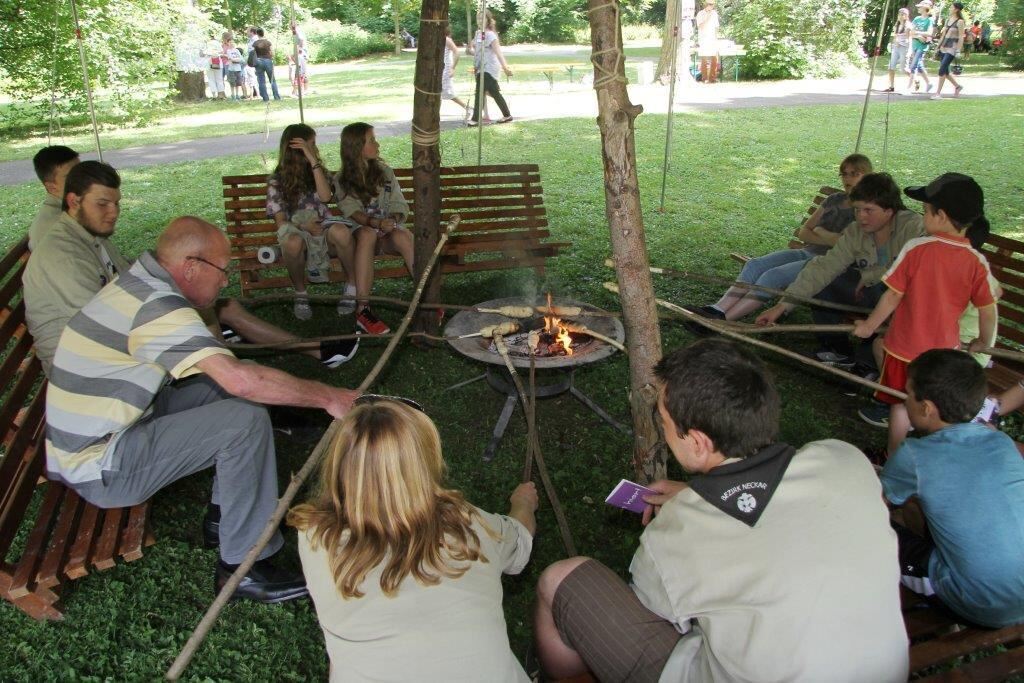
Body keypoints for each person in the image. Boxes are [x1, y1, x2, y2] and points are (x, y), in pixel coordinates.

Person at [533, 339, 908, 682]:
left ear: (697, 442)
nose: (662, 431)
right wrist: (702, 496)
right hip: (881, 671)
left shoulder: (679, 533)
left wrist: (694, 510)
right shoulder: (845, 459)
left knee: (560, 579)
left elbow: (654, 612)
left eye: (663, 423)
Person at [44, 217, 361, 602]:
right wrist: (330, 398)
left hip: (106, 430)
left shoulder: (140, 282)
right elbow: (242, 379)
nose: (225, 280)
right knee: (243, 418)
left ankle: (223, 517)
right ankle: (243, 569)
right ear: (191, 266)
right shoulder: (157, 306)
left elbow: (227, 377)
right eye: (222, 269)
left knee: (217, 390)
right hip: (100, 464)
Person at [25, 161, 357, 379]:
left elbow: (131, 279)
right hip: (91, 365)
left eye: (117, 203)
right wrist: (181, 312)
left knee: (219, 306)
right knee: (207, 309)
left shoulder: (90, 236)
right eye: (102, 204)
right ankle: (237, 373)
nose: (113, 213)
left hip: (116, 339)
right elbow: (103, 324)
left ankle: (299, 352)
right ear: (73, 201)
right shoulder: (62, 253)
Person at [289, 398, 538, 682]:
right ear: (423, 461)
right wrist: (523, 503)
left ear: (340, 466)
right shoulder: (469, 526)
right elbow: (520, 541)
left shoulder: (314, 537)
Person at [852, 173, 995, 456]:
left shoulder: (917, 248)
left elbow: (893, 295)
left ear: (940, 215)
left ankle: (895, 459)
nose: (922, 216)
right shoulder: (977, 261)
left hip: (903, 350)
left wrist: (869, 327)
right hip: (943, 357)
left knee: (901, 405)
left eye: (925, 211)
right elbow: (987, 309)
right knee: (936, 411)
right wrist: (983, 342)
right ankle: (931, 459)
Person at [881, 349, 1024, 628]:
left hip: (979, 604)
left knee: (874, 531)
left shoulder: (915, 455)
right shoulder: (1002, 444)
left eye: (909, 393)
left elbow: (876, 503)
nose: (904, 398)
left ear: (927, 408)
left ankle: (937, 597)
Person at [756, 173, 925, 370]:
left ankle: (868, 363)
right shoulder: (855, 231)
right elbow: (825, 267)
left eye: (869, 210)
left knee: (883, 290)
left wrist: (872, 276)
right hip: (869, 293)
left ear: (889, 211)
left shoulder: (913, 227)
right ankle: (838, 350)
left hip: (900, 300)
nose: (861, 216)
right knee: (823, 276)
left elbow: (914, 277)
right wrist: (782, 306)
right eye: (857, 209)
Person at [692, 153, 871, 322]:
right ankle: (718, 309)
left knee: (773, 276)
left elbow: (840, 243)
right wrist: (827, 236)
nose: (847, 179)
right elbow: (804, 232)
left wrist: (820, 232)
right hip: (806, 252)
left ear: (869, 177)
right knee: (755, 265)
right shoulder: (834, 199)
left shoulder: (865, 210)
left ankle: (724, 321)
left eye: (855, 174)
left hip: (825, 263)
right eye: (844, 174)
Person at [267, 123, 359, 321]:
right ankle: (301, 294)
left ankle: (352, 287)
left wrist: (312, 161)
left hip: (323, 230)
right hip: (298, 232)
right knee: (292, 242)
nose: (315, 148)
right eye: (311, 144)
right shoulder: (277, 180)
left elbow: (326, 198)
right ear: (296, 149)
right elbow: (281, 222)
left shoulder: (319, 171)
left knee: (342, 232)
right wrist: (304, 227)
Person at [333, 122, 414, 335]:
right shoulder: (341, 180)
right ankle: (363, 309)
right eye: (372, 140)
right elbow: (352, 212)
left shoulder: (385, 172)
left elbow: (399, 203)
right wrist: (376, 223)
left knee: (404, 235)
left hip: (386, 234)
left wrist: (393, 221)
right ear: (357, 147)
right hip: (360, 237)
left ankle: (427, 302)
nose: (377, 143)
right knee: (367, 233)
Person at [27, 145, 79, 250]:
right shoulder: (57, 225)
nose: (84, 178)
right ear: (52, 187)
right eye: (71, 176)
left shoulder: (69, 207)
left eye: (82, 170)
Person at [468, 10, 513, 127]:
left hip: (489, 67)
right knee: (494, 92)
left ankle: (475, 118)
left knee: (479, 91)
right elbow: (476, 51)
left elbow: (498, 53)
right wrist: (470, 50)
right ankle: (507, 115)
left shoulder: (491, 35)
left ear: (488, 20)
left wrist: (506, 68)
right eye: (478, 18)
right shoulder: (479, 34)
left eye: (483, 19)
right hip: (480, 67)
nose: (480, 21)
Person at [932, 1, 966, 99]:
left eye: (952, 7)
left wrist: (958, 50)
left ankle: (938, 93)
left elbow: (961, 37)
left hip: (952, 48)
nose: (950, 9)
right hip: (944, 47)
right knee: (945, 71)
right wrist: (937, 47)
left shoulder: (960, 22)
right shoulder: (948, 20)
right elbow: (943, 35)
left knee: (942, 69)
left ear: (956, 9)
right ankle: (958, 87)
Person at [906, 0, 935, 94]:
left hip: (922, 46)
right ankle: (929, 83)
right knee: (919, 65)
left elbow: (929, 33)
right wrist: (918, 36)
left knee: (913, 66)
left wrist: (917, 33)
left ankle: (909, 87)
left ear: (926, 8)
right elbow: (911, 32)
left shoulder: (929, 20)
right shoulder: (917, 19)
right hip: (915, 44)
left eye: (920, 7)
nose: (918, 8)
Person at [442, 27, 470, 120]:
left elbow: (457, 52)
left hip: (446, 69)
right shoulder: (438, 39)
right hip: (440, 69)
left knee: (447, 92)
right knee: (439, 92)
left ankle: (467, 108)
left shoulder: (446, 39)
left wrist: (452, 68)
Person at [251, 27, 281, 102]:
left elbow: (253, 53)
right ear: (263, 33)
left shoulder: (255, 43)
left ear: (257, 34)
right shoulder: (268, 42)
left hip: (259, 61)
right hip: (268, 61)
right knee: (272, 80)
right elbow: (272, 53)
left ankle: (265, 98)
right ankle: (276, 97)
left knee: (261, 81)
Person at [886, 8, 912, 92]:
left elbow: (909, 39)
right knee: (891, 67)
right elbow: (895, 36)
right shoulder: (896, 25)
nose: (900, 16)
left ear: (906, 16)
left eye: (902, 14)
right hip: (896, 47)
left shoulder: (908, 26)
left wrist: (909, 50)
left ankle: (915, 80)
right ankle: (891, 86)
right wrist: (893, 43)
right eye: (899, 14)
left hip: (904, 47)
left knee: (903, 69)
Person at [695, 0, 720, 83]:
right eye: (710, 4)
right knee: (704, 59)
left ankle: (712, 78)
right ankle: (704, 78)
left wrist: (716, 37)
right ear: (706, 5)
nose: (712, 6)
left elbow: (716, 26)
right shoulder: (700, 14)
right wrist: (707, 18)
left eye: (713, 5)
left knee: (714, 58)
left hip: (712, 39)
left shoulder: (714, 14)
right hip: (704, 39)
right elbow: (700, 26)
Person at [223, 35, 244, 101]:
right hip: (231, 69)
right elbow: (230, 58)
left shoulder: (237, 51)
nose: (232, 43)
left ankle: (237, 95)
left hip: (238, 68)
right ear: (228, 43)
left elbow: (241, 59)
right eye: (230, 42)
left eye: (233, 42)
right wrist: (235, 59)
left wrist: (236, 59)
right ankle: (233, 95)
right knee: (232, 83)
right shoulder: (228, 51)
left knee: (238, 83)